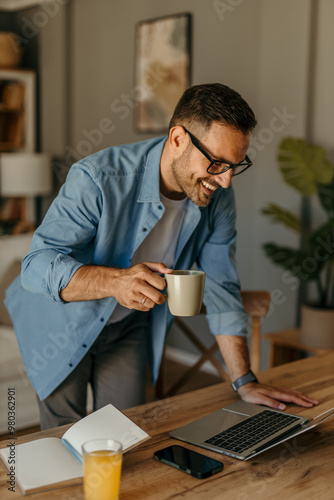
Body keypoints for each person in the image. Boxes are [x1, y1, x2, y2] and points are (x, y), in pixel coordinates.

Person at [5, 83, 318, 430]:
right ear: (177, 139)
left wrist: (244, 381)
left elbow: (220, 284)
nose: (226, 180)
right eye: (216, 162)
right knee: (64, 441)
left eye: (235, 165)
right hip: (59, 321)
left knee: (128, 434)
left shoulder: (217, 196)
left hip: (129, 325)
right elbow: (36, 266)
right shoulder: (97, 177)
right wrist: (116, 281)